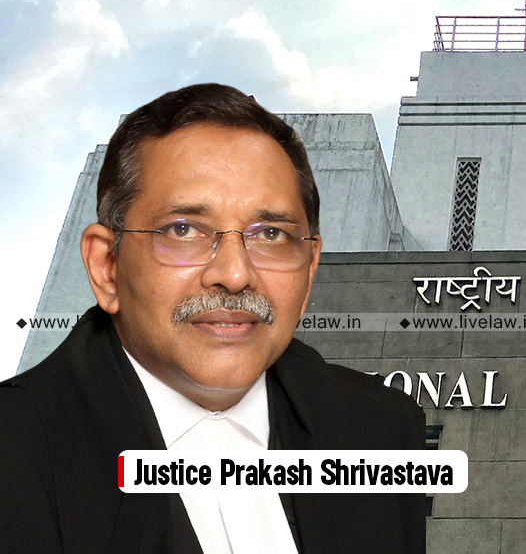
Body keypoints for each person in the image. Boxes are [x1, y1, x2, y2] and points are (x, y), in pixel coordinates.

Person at [0, 83, 427, 553]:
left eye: (270, 234)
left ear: (309, 271)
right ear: (107, 267)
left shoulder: (382, 428)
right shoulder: (16, 449)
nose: (235, 274)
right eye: (183, 230)